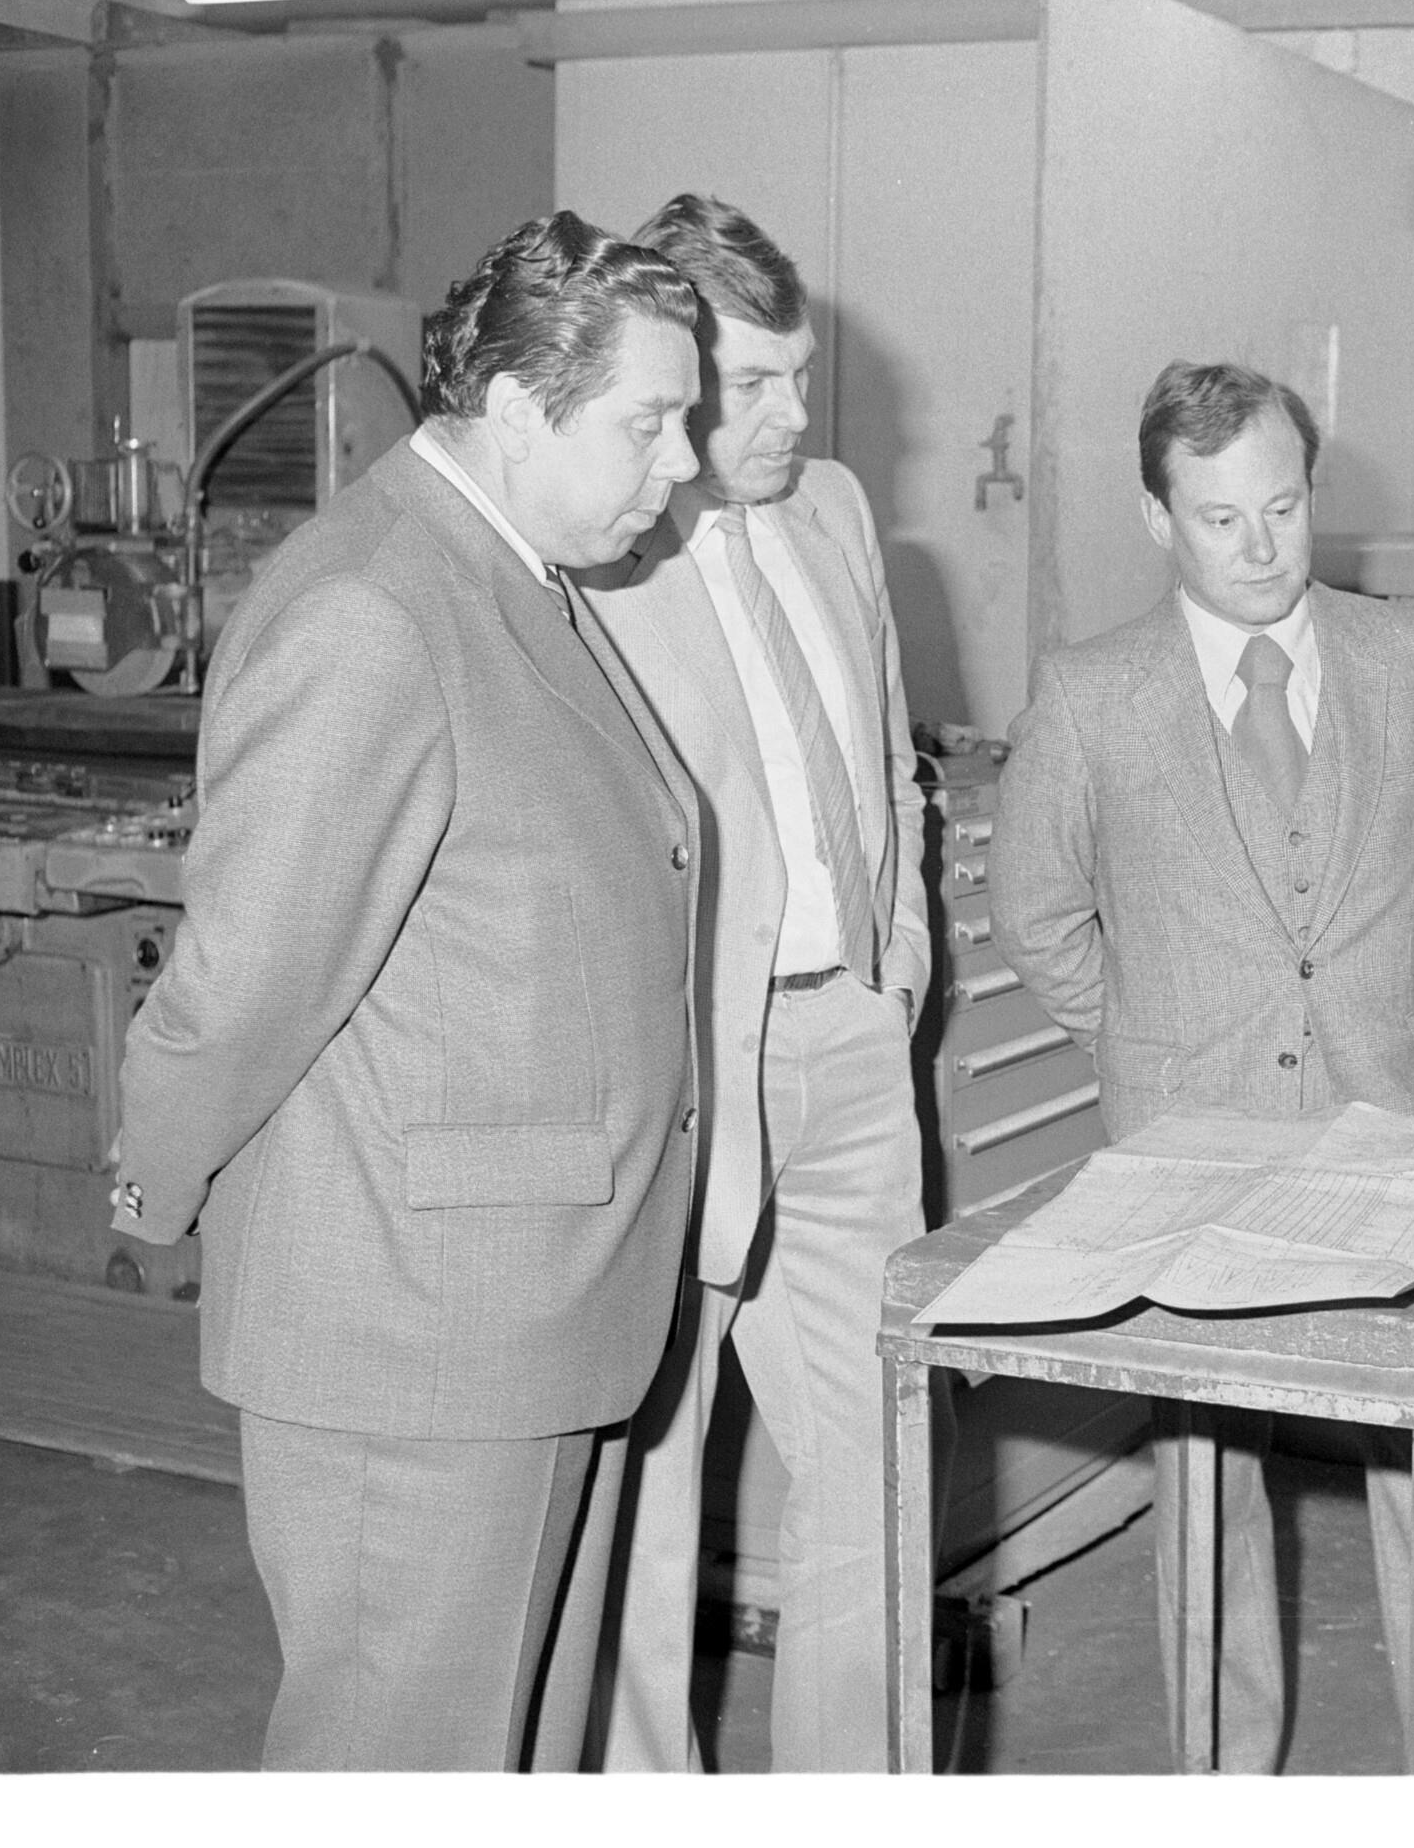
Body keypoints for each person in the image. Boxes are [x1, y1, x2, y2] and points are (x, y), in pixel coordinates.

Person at [106, 212, 705, 1770]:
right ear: (513, 411)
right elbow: (242, 984)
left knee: (500, 1759)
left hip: (523, 1311)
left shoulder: (504, 577)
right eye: (650, 421)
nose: (685, 463)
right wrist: (148, 1191)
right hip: (418, 1340)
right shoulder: (375, 607)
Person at [990, 360, 1414, 1772]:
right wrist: (1152, 1037)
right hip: (1188, 1142)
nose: (1262, 547)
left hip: (1396, 1122)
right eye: (1221, 520)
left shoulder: (1413, 658)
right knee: (1209, 1478)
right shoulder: (1090, 694)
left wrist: (1380, 1010)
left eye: (1283, 507)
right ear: (1160, 520)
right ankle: (1220, 1783)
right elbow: (1038, 911)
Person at [578, 194, 930, 1773]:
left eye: (802, 377)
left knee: (877, 1463)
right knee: (654, 1481)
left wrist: (898, 964)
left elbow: (889, 760)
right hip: (690, 1074)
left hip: (851, 1040)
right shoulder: (599, 555)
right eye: (756, 385)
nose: (794, 415)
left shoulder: (834, 508)